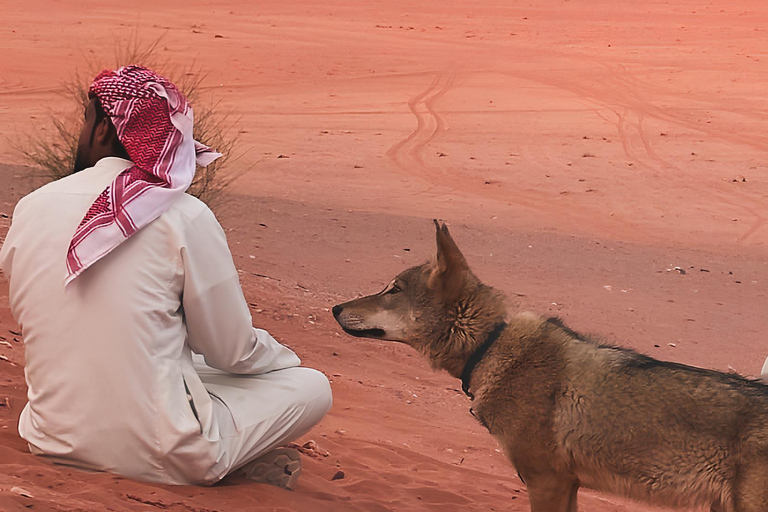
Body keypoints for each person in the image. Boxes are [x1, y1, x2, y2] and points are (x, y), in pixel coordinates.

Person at [0, 66, 332, 487]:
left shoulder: (31, 206)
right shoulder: (184, 215)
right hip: (161, 460)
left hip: (49, 440)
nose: (82, 134)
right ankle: (232, 461)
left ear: (103, 128)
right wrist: (283, 363)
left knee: (172, 354)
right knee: (311, 385)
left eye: (86, 121)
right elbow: (232, 351)